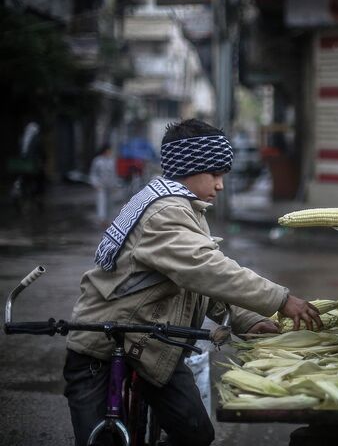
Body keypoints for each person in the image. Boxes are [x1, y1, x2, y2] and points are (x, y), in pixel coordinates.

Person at [63, 119, 322, 446]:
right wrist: (281, 300)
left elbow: (196, 283)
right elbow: (207, 269)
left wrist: (247, 320)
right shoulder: (165, 211)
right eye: (215, 175)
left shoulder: (183, 205)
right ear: (189, 169)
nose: (220, 186)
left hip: (149, 343)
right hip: (100, 347)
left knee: (197, 433)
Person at [89, 144, 118, 226]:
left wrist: (115, 185)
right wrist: (95, 183)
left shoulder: (112, 161)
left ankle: (108, 219)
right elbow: (93, 173)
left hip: (110, 186)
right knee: (101, 202)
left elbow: (114, 174)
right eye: (108, 150)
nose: (109, 152)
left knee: (110, 204)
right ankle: (102, 219)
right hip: (101, 186)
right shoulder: (97, 161)